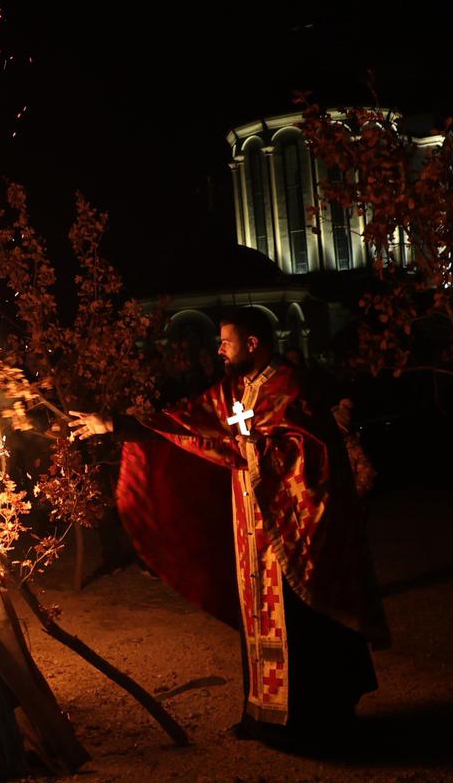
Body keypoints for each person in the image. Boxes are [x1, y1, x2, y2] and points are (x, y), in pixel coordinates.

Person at [71, 306, 389, 747]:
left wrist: (251, 450)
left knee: (301, 619)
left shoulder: (289, 387)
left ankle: (313, 722)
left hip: (294, 527)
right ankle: (264, 715)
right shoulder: (235, 389)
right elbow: (190, 419)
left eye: (227, 341)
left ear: (253, 343)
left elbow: (309, 452)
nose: (219, 349)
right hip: (252, 528)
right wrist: (117, 425)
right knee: (260, 616)